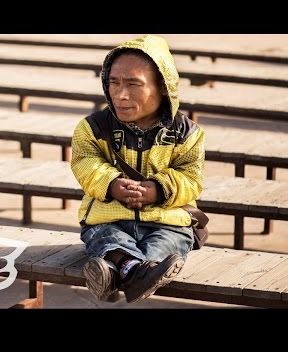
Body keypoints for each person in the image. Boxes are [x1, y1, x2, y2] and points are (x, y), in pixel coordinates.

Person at [70, 35, 205, 303]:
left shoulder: (187, 133)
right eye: (114, 83)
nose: (120, 95)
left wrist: (159, 189)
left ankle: (115, 270)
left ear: (164, 87)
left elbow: (191, 177)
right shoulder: (92, 128)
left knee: (169, 243)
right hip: (108, 217)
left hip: (166, 221)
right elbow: (84, 163)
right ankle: (137, 273)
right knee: (102, 236)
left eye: (133, 84)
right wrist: (111, 183)